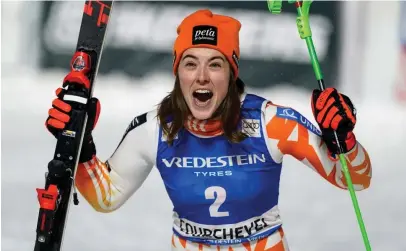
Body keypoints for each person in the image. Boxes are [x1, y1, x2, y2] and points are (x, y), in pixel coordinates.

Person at [45, 9, 372, 251]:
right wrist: (81, 145)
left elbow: (355, 179)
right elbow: (106, 197)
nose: (201, 76)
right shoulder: (155, 128)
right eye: (190, 63)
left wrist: (342, 140)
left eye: (215, 64)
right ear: (178, 74)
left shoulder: (271, 122)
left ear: (231, 74)